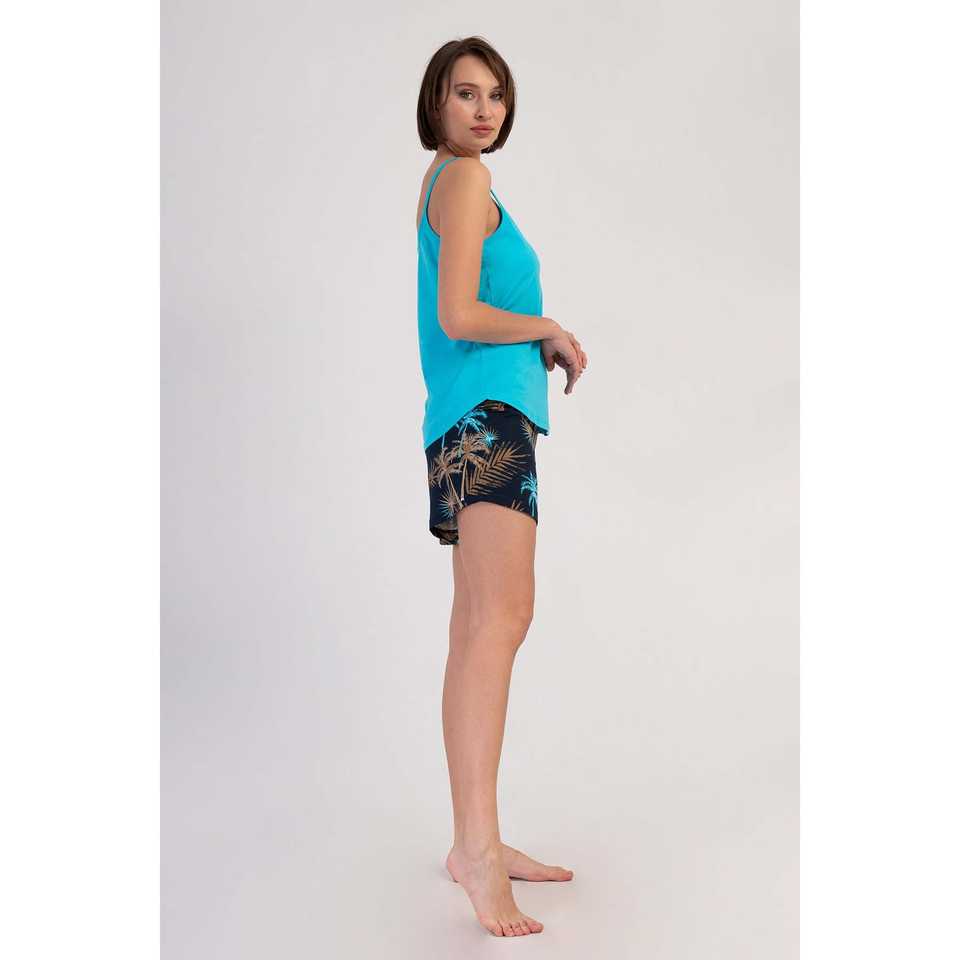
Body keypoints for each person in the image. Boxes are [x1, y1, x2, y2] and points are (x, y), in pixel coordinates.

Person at [415, 37, 588, 937]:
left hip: (470, 418)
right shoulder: (465, 178)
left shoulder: (451, 180)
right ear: (436, 104)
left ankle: (471, 843)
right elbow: (458, 314)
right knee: (499, 620)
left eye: (495, 95)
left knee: (477, 624)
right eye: (465, 93)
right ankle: (480, 854)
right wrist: (546, 324)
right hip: (487, 418)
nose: (484, 110)